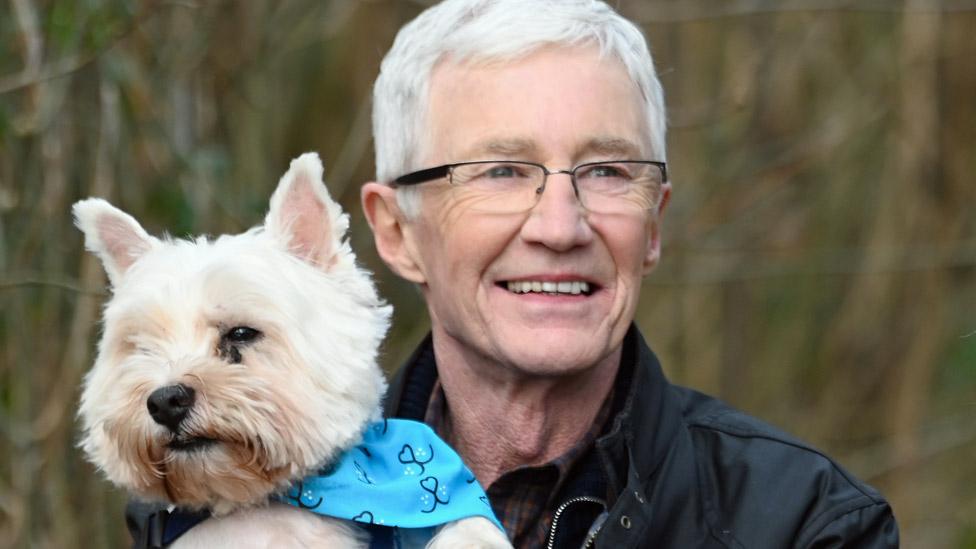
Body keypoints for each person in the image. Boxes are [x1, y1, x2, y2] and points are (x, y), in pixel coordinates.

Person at [128, 0, 899, 547]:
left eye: (605, 171)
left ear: (654, 221)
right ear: (396, 231)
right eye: (500, 170)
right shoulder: (207, 507)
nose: (560, 226)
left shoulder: (805, 522)